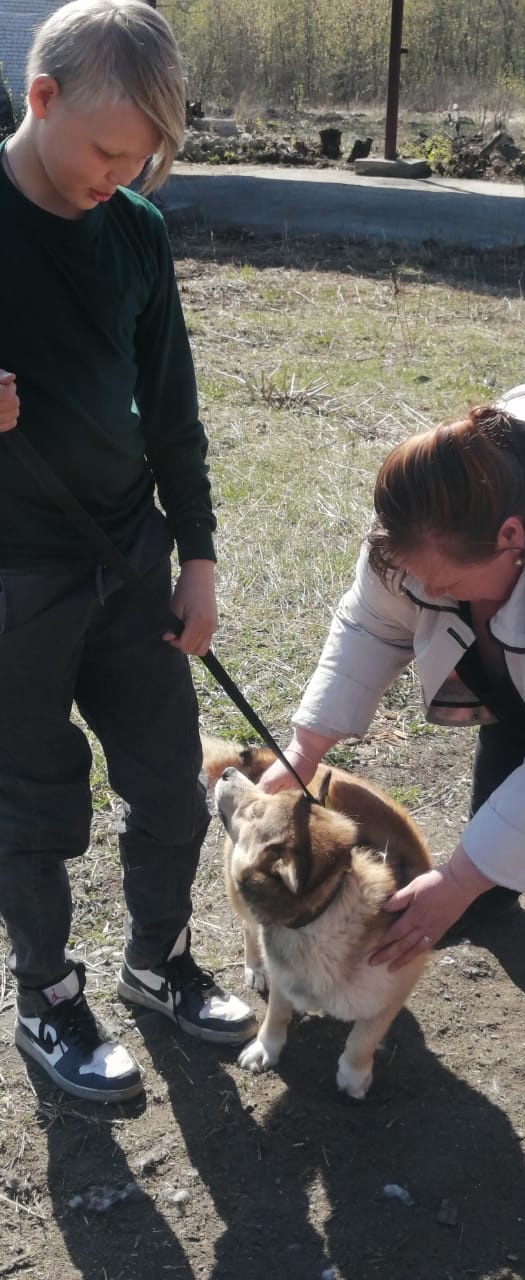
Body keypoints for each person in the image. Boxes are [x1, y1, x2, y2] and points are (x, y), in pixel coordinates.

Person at [0, 0, 256, 1105]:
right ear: (38, 97)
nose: (123, 175)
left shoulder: (136, 232)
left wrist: (196, 556)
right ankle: (47, 997)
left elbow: (174, 414)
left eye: (144, 158)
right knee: (34, 801)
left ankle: (157, 963)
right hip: (14, 578)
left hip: (127, 559)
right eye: (107, 150)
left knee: (169, 784)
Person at [260, 369, 525, 968]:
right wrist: (305, 748)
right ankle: (493, 894)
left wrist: (453, 881)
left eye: (446, 583)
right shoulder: (417, 522)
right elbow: (372, 623)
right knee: (513, 712)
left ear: (512, 538)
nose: (426, 594)